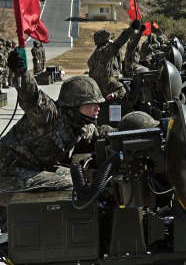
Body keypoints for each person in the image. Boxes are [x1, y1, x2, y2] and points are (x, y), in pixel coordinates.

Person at [0, 50, 116, 206]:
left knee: (80, 175)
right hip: (7, 174)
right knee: (72, 182)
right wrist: (21, 73)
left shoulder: (79, 124)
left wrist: (128, 131)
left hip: (25, 172)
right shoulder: (49, 115)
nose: (98, 108)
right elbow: (32, 97)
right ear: (75, 104)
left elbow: (100, 134)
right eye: (92, 103)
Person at [88, 20, 141, 100]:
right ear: (105, 41)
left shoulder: (93, 56)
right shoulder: (105, 51)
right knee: (127, 91)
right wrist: (132, 29)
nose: (111, 41)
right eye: (109, 39)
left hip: (96, 90)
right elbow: (118, 43)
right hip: (107, 89)